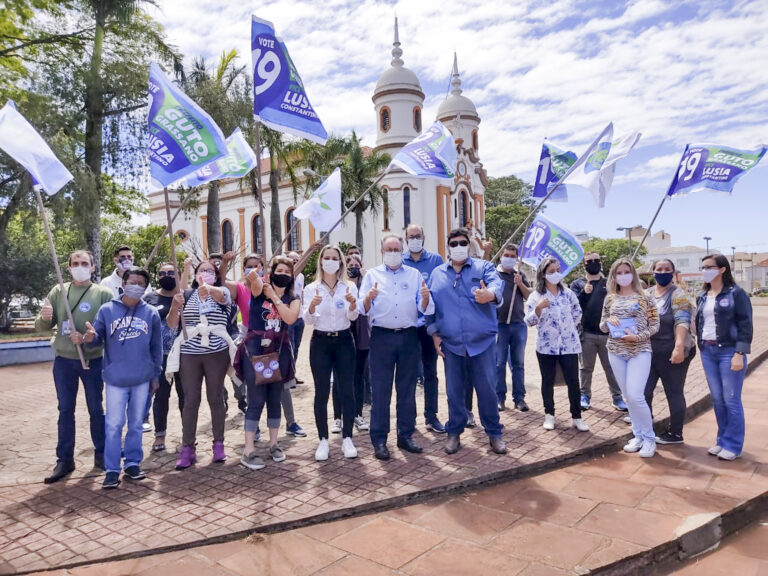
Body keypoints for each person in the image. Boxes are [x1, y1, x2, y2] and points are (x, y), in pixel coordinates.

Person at [428, 228, 507, 455]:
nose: (459, 246)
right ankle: (454, 433)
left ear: (468, 245)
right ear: (448, 247)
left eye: (463, 242)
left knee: (487, 391)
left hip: (481, 344)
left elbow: (496, 285)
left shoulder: (484, 268)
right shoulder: (437, 274)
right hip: (451, 346)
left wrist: (490, 295)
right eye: (454, 243)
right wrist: (434, 333)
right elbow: (430, 308)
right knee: (454, 392)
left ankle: (494, 433)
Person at [37, 250, 113, 484]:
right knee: (65, 410)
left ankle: (101, 454)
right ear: (68, 268)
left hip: (93, 360)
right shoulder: (58, 290)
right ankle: (65, 459)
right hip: (64, 361)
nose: (80, 266)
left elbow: (110, 329)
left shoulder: (103, 293)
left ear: (92, 267)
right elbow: (42, 327)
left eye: (84, 263)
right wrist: (45, 316)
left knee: (95, 409)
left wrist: (93, 336)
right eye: (75, 263)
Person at [83, 267, 162, 488]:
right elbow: (97, 337)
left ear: (145, 288)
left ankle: (133, 463)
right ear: (123, 284)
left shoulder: (151, 313)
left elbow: (156, 347)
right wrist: (90, 337)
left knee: (136, 424)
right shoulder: (107, 310)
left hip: (142, 378)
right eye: (132, 282)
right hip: (115, 379)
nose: (135, 286)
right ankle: (112, 469)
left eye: (141, 283)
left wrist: (156, 375)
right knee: (113, 424)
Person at [359, 234, 434, 460]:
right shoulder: (372, 275)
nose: (393, 252)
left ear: (402, 251)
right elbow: (361, 310)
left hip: (409, 337)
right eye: (388, 249)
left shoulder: (414, 275)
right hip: (381, 337)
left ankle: (405, 435)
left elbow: (427, 309)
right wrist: (368, 298)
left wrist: (425, 298)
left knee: (407, 389)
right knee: (380, 391)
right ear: (382, 251)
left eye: (396, 249)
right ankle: (380, 439)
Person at [167, 260, 236, 469]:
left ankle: (218, 444)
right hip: (190, 352)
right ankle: (188, 447)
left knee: (215, 397)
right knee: (190, 400)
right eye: (201, 270)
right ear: (195, 275)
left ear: (215, 276)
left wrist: (210, 287)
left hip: (216, 351)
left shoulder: (222, 291)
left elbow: (222, 298)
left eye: (209, 271)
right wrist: (174, 306)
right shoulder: (186, 295)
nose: (205, 273)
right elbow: (172, 325)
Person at [238, 256, 301, 470]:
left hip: (279, 352)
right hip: (255, 351)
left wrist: (274, 296)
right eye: (279, 270)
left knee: (275, 398)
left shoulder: (293, 298)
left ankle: (274, 444)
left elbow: (290, 318)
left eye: (287, 272)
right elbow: (254, 284)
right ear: (272, 272)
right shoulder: (260, 290)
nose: (282, 274)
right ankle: (248, 450)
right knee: (256, 400)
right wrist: (255, 276)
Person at [303, 246, 360, 460]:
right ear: (320, 262)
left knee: (347, 389)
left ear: (340, 262)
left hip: (344, 341)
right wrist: (311, 308)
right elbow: (308, 320)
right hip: (320, 342)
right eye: (326, 258)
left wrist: (353, 304)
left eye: (334, 258)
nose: (330, 261)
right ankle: (323, 440)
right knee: (322, 391)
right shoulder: (311, 289)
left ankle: (347, 438)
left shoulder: (349, 287)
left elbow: (353, 317)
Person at [600, 258, 660, 458]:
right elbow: (601, 325)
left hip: (639, 350)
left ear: (633, 274)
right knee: (628, 397)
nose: (623, 275)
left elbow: (655, 325)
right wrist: (608, 321)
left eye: (626, 271)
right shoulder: (610, 298)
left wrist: (638, 337)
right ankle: (638, 435)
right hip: (616, 351)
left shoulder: (646, 297)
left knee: (636, 395)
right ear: (613, 276)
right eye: (619, 272)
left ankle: (650, 438)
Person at [695, 254, 752, 461]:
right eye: (702, 267)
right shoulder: (702, 295)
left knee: (731, 399)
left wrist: (740, 352)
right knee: (718, 399)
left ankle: (733, 445)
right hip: (708, 351)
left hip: (729, 351)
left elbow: (745, 324)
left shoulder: (736, 293)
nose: (705, 270)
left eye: (709, 267)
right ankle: (722, 440)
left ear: (722, 269)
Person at [525, 257, 590, 433]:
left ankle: (577, 417)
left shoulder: (568, 293)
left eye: (557, 270)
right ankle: (549, 415)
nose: (555, 274)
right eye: (551, 271)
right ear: (543, 274)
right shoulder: (536, 295)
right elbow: (529, 321)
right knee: (547, 381)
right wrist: (538, 309)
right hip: (546, 346)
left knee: (573, 381)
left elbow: (577, 313)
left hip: (569, 345)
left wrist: (567, 328)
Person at [644, 259, 695, 445]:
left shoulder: (679, 294)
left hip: (672, 350)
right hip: (650, 352)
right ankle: (645, 427)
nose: (663, 272)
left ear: (673, 272)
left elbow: (682, 321)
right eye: (659, 269)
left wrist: (679, 347)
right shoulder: (646, 294)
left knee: (673, 392)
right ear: (653, 272)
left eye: (667, 269)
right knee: (644, 392)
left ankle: (675, 433)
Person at [403, 224, 446, 434]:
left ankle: (432, 416)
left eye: (418, 236)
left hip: (428, 326)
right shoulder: (400, 261)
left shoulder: (436, 260)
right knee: (409, 375)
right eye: (411, 236)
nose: (414, 239)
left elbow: (441, 293)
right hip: (409, 327)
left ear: (424, 237)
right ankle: (409, 419)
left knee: (431, 373)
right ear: (406, 239)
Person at [570, 252, 627, 412]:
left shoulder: (609, 283)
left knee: (611, 367)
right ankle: (584, 396)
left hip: (608, 334)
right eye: (589, 261)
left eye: (596, 260)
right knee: (586, 368)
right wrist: (583, 293)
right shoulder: (577, 284)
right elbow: (572, 306)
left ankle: (617, 398)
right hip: (586, 333)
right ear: (584, 265)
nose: (593, 263)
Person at [143, 262, 184, 452]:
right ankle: (160, 435)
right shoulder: (149, 298)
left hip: (184, 354)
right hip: (160, 356)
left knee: (186, 395)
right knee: (161, 396)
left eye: (171, 272)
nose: (166, 275)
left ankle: (188, 433)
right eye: (162, 273)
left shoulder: (186, 295)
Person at [495, 243, 531, 412]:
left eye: (512, 256)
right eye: (506, 255)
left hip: (517, 324)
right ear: (501, 255)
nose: (509, 258)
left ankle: (519, 398)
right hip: (500, 325)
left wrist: (520, 284)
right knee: (499, 363)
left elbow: (529, 296)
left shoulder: (519, 274)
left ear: (517, 258)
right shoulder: (495, 274)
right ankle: (499, 398)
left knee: (518, 364)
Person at [346, 254, 371, 430]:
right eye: (350, 264)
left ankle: (357, 414)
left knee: (358, 376)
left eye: (357, 265)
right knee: (342, 378)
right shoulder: (342, 286)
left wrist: (366, 274)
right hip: (344, 333)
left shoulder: (364, 285)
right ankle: (340, 416)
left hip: (361, 335)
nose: (353, 267)